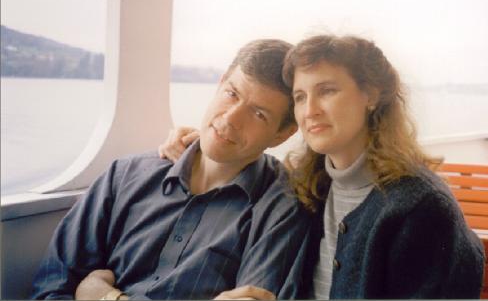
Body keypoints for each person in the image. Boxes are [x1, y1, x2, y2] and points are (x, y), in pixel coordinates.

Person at [161, 35, 485, 299]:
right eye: (300, 97)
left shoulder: (420, 208)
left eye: (327, 91)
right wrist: (198, 144)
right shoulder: (308, 188)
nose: (310, 110)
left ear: (370, 95)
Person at [31, 39, 309, 300]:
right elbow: (51, 289)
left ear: (282, 134)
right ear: (220, 83)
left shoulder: (281, 208)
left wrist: (107, 296)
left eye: (258, 114)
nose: (231, 118)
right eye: (231, 94)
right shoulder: (124, 175)